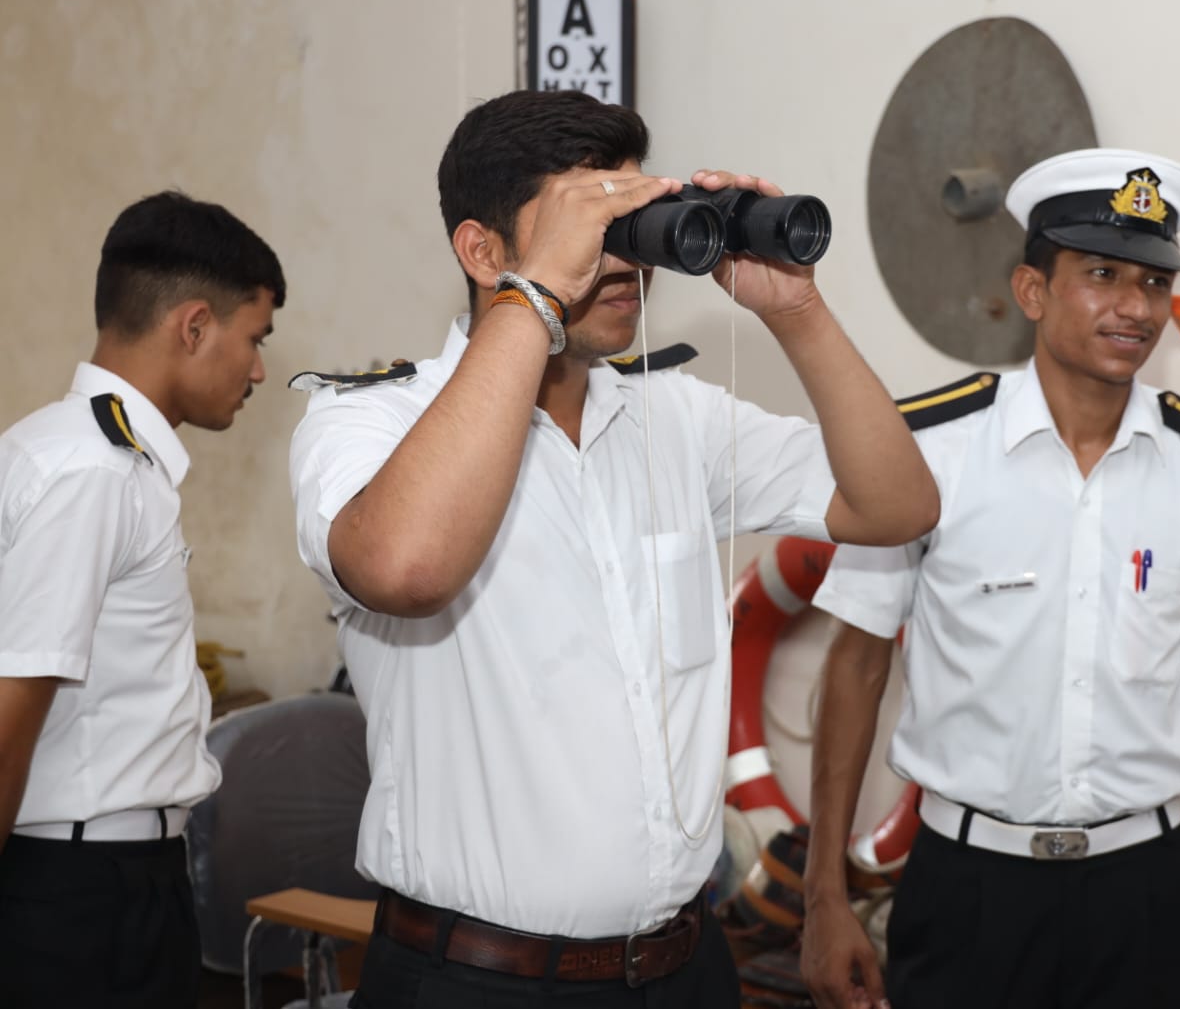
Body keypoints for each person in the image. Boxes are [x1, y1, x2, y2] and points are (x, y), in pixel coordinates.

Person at [287, 89, 939, 1008]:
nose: (628, 258)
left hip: (684, 970)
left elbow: (898, 505)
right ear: (482, 252)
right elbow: (407, 568)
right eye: (591, 224)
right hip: (477, 983)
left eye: (634, 218)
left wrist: (797, 310)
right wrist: (535, 299)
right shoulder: (370, 422)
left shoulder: (672, 418)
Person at [800, 149, 1180, 1009]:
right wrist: (824, 896)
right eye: (1103, 275)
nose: (1135, 307)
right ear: (1032, 291)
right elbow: (856, 662)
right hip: (967, 892)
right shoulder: (929, 452)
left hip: (1146, 892)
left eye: (1154, 283)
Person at [0, 191, 285, 1009]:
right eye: (254, 338)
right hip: (80, 895)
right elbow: (11, 711)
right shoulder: (93, 472)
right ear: (194, 327)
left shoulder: (68, 450)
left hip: (114, 880)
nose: (258, 370)